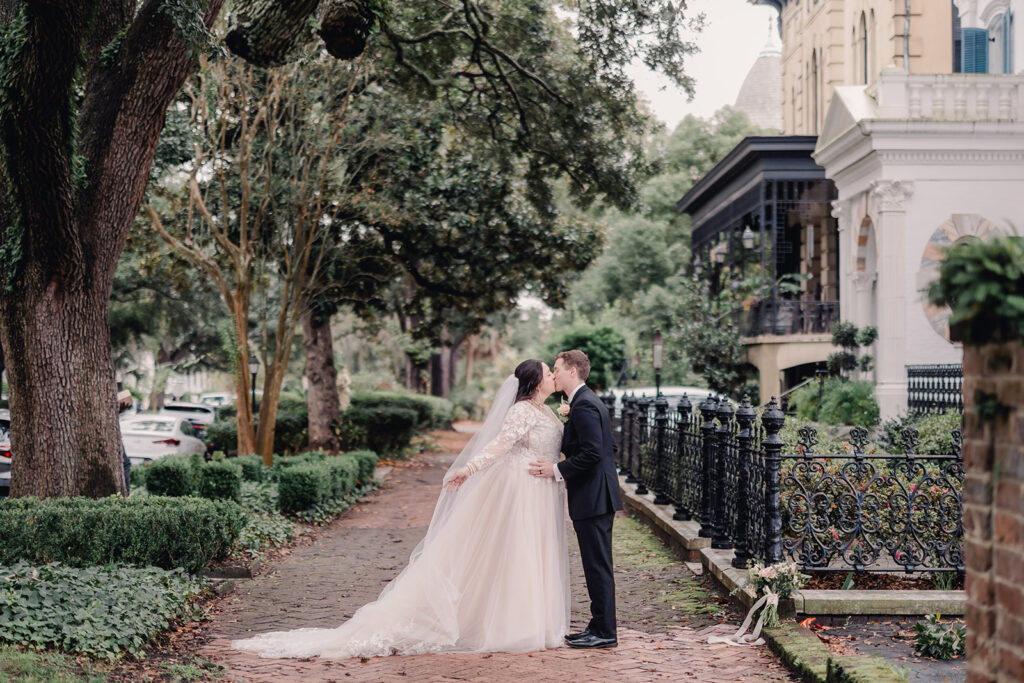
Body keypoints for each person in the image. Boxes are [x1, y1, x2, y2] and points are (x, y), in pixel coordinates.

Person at [232, 360, 569, 659]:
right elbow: (499, 445)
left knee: (532, 553)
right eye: (548, 372)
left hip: (539, 488)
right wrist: (468, 468)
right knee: (517, 553)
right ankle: (514, 626)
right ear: (535, 382)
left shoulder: (547, 410)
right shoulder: (522, 410)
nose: (553, 376)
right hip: (517, 489)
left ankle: (531, 621)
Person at [530, 349, 622, 649]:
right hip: (595, 495)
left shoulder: (583, 405)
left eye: (556, 369)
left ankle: (605, 632)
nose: (554, 374)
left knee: (598, 566)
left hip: (594, 498)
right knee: (595, 564)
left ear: (573, 371)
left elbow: (593, 452)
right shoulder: (583, 401)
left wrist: (557, 469)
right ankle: (597, 625)